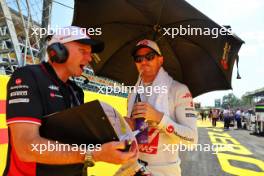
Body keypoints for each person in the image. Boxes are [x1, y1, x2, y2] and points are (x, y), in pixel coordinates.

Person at [4, 26, 137, 176]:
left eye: (90, 53)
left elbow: (76, 141)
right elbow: (26, 147)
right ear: (58, 51)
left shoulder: (76, 91)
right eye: (83, 51)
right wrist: (93, 155)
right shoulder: (28, 76)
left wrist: (119, 127)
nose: (89, 58)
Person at [125, 39, 198, 176]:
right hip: (132, 166)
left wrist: (159, 118)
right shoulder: (133, 93)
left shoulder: (179, 90)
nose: (144, 62)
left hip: (163, 171)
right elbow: (134, 134)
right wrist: (127, 125)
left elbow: (192, 139)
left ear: (160, 60)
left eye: (150, 57)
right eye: (138, 58)